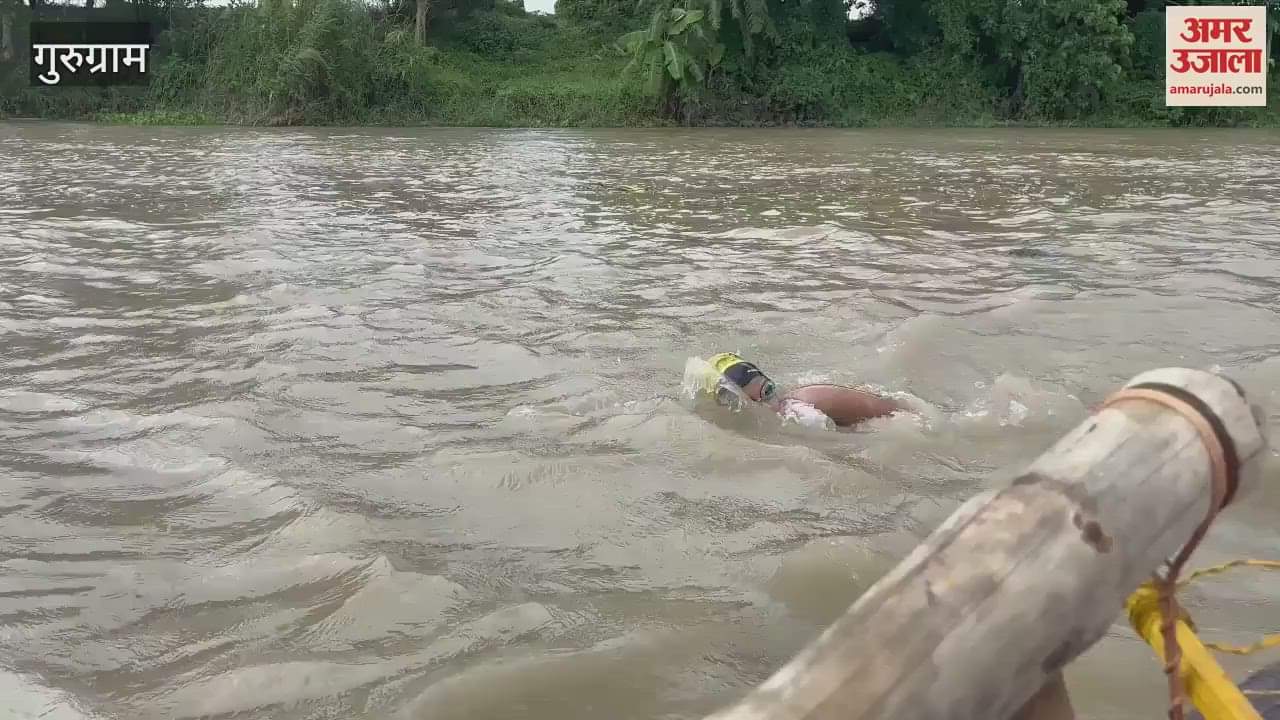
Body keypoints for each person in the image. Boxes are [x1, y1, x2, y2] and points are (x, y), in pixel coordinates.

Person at [705, 352, 908, 428]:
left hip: (906, 420)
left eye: (765, 389)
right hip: (898, 408)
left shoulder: (800, 414)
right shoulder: (798, 395)